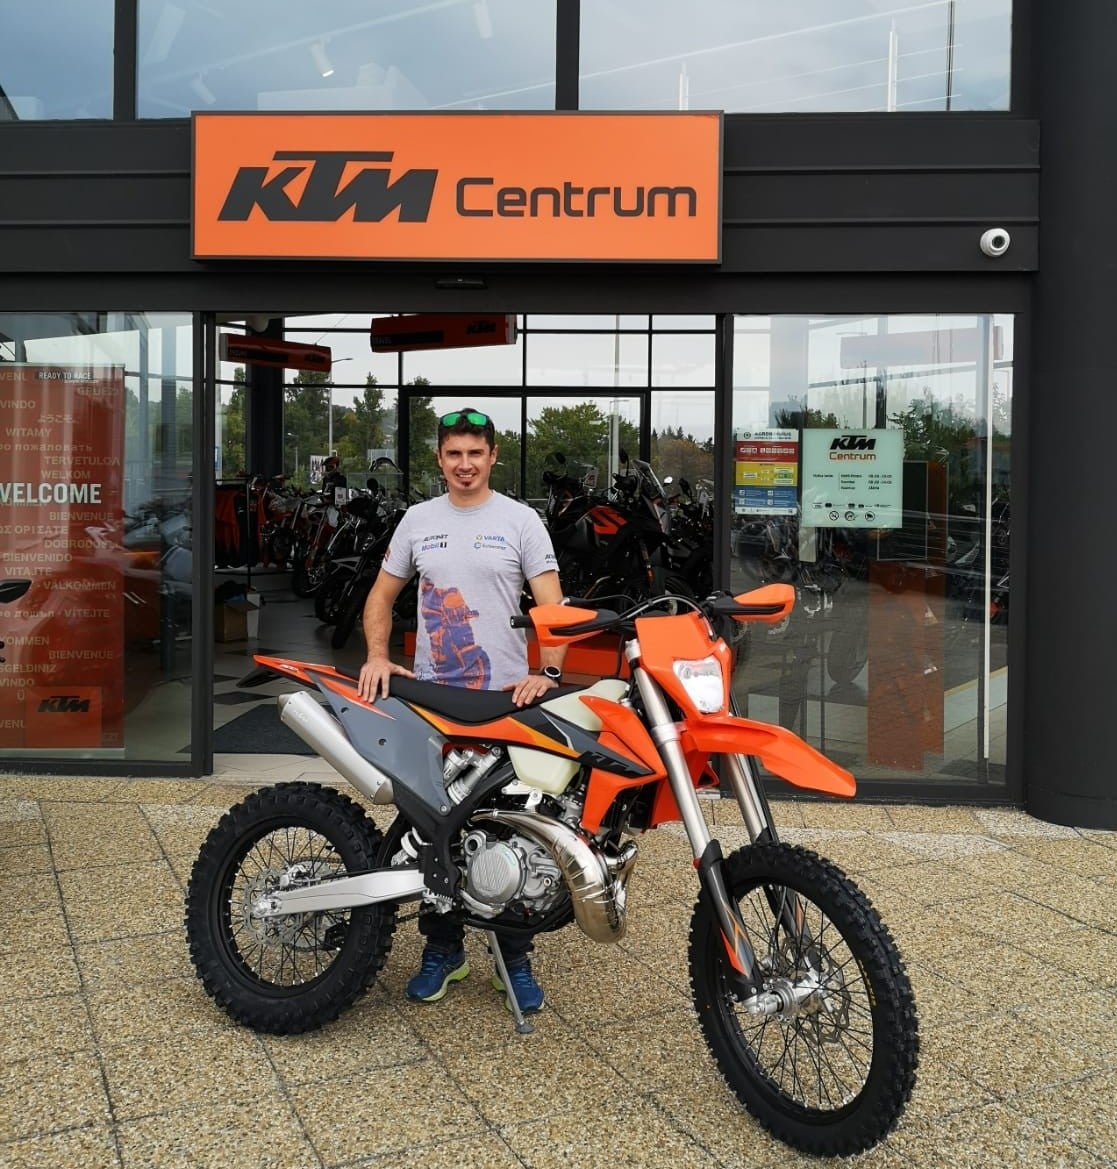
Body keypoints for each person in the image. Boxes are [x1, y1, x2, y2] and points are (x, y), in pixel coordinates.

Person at [356, 407, 565, 1014]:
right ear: (440, 459)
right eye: (454, 454)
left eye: (475, 453)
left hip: (506, 703)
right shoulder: (419, 521)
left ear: (493, 456)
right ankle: (443, 950)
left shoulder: (521, 521)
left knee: (512, 825)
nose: (465, 465)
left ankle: (514, 956)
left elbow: (552, 606)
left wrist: (548, 673)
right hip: (433, 703)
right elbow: (381, 596)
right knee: (431, 827)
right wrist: (377, 655)